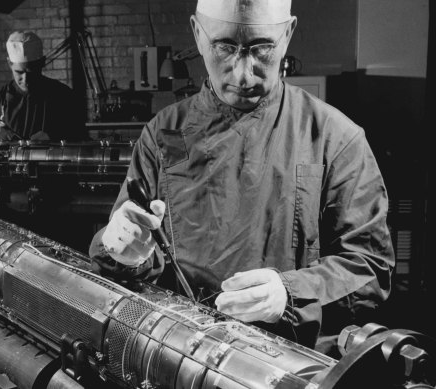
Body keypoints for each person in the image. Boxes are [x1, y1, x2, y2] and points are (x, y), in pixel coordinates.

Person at [89, 0, 394, 354]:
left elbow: (370, 267)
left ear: (288, 33)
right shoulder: (163, 134)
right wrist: (125, 251)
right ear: (197, 35)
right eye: (224, 47)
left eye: (262, 49)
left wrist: (290, 292)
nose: (242, 74)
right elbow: (129, 250)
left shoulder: (333, 138)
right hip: (181, 353)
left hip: (288, 360)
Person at [0, 30, 86, 142]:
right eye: (19, 72)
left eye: (31, 72)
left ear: (42, 62)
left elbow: (80, 134)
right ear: (9, 63)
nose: (25, 80)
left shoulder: (62, 95)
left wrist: (53, 136)